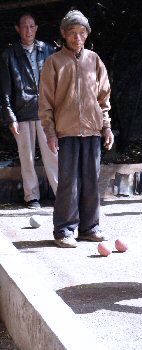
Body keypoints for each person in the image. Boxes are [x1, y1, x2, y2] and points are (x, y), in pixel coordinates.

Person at [39, 10, 114, 248]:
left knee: (91, 180)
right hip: (66, 132)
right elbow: (46, 103)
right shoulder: (54, 62)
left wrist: (107, 127)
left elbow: (104, 98)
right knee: (68, 182)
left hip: (92, 131)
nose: (77, 37)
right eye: (72, 33)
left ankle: (89, 227)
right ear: (64, 34)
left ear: (87, 34)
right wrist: (50, 133)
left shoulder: (95, 60)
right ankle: (64, 230)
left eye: (82, 32)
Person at [0, 13, 58, 209]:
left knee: (53, 155)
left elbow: (56, 84)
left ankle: (61, 194)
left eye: (32, 26)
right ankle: (31, 196)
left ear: (36, 28)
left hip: (46, 112)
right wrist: (10, 117)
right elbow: (5, 90)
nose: (28, 30)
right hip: (22, 113)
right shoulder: (9, 55)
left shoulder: (48, 50)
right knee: (26, 157)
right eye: (24, 27)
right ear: (17, 28)